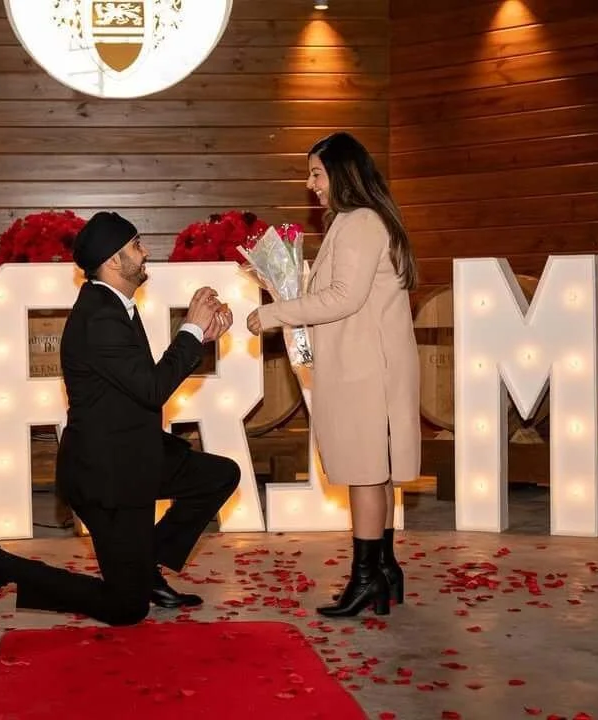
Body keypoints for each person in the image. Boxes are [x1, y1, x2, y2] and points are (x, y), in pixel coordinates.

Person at [0, 211, 240, 627]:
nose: (146, 253)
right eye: (137, 246)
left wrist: (200, 337)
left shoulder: (115, 304)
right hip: (104, 475)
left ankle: (144, 563)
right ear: (113, 261)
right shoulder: (100, 317)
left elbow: (137, 385)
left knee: (219, 475)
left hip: (136, 453)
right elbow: (151, 388)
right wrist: (191, 331)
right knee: (126, 608)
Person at [246, 132, 421, 618]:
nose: (311, 183)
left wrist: (277, 312)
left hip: (367, 370)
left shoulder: (360, 221)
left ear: (343, 173)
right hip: (367, 364)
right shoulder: (358, 221)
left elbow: (344, 297)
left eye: (317, 173)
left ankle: (366, 580)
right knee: (376, 473)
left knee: (366, 474)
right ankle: (384, 570)